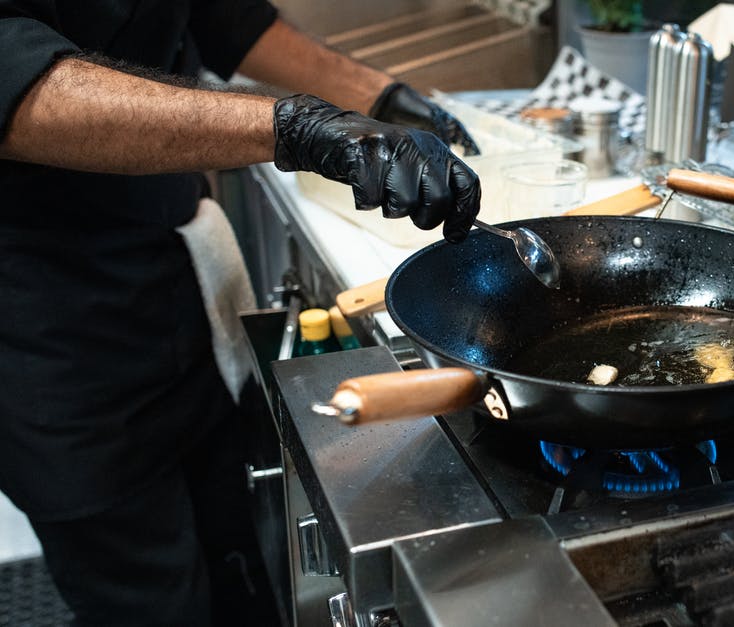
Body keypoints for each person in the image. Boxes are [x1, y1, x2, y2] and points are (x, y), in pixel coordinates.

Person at [0, 1, 482, 625]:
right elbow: (14, 83)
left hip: (166, 265)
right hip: (43, 315)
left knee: (238, 558)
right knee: (143, 591)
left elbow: (222, 15)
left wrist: (379, 96)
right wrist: (297, 129)